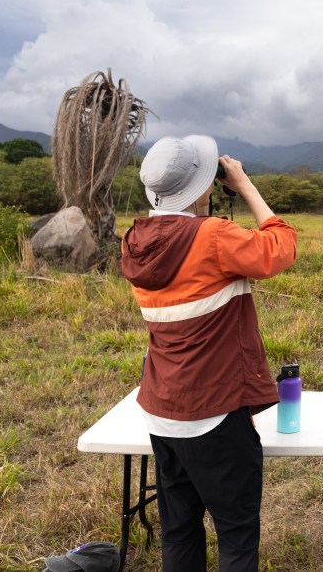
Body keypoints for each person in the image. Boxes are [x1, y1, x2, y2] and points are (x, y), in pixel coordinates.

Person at [120, 135, 297, 571]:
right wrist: (245, 185)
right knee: (236, 534)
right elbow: (283, 247)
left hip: (162, 410)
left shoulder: (135, 241)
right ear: (202, 189)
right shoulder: (213, 236)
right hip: (214, 413)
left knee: (179, 530)